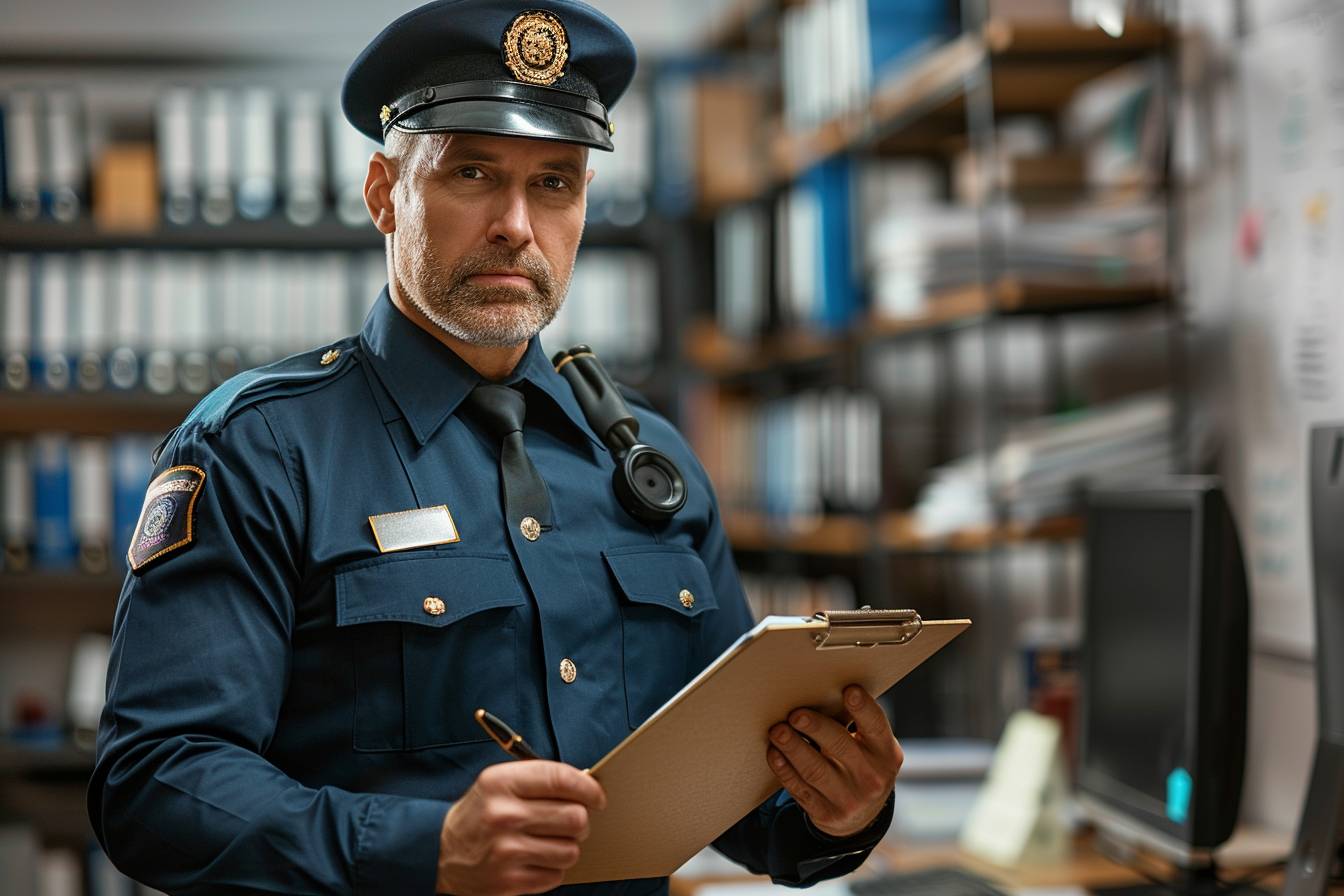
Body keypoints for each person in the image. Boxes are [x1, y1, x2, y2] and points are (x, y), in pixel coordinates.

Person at [87, 1, 901, 893]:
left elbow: (739, 798)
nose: (517, 222)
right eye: (472, 172)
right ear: (383, 194)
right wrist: (424, 849)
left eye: (555, 182)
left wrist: (839, 808)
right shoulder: (260, 450)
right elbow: (152, 783)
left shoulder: (649, 461)